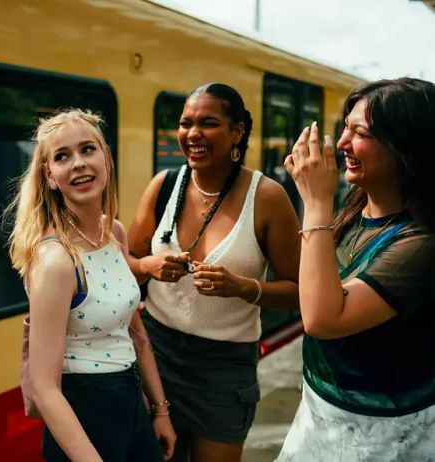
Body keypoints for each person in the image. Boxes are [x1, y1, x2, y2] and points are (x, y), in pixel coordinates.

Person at [127, 83, 301, 462]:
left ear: (237, 131)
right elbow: (124, 265)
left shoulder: (267, 197)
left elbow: (300, 291)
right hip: (156, 356)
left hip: (224, 369)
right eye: (186, 123)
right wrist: (147, 266)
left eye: (208, 123)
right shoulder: (164, 186)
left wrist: (243, 287)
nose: (192, 134)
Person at [276, 78, 435, 461]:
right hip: (323, 417)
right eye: (344, 127)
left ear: (405, 147)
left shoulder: (421, 244)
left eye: (359, 132)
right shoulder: (357, 210)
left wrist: (315, 201)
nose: (342, 143)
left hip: (385, 436)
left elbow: (323, 319)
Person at [6, 109, 176, 461]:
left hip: (131, 403)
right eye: (62, 156)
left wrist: (159, 410)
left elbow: (133, 329)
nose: (79, 163)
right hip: (84, 413)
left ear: (106, 160)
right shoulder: (56, 262)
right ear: (50, 176)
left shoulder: (113, 232)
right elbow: (45, 388)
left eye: (88, 149)